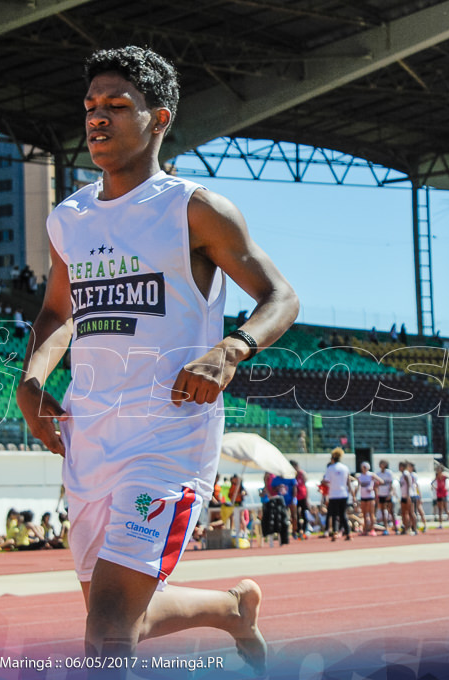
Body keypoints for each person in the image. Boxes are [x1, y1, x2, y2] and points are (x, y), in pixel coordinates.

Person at [15, 45, 298, 671]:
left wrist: (231, 349)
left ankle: (226, 613)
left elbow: (281, 297)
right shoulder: (69, 218)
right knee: (113, 617)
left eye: (117, 106)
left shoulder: (194, 209)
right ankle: (232, 611)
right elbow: (58, 314)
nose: (98, 118)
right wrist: (32, 381)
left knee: (109, 628)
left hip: (167, 438)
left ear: (159, 118)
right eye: (91, 107)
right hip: (87, 435)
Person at [323, 448, 352, 541]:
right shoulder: (345, 468)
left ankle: (335, 532)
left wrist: (323, 482)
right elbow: (348, 482)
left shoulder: (330, 468)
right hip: (344, 494)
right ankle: (348, 533)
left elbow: (326, 481)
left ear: (332, 458)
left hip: (334, 494)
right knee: (343, 514)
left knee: (334, 515)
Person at [355, 461, 382, 536]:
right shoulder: (359, 476)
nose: (364, 469)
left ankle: (372, 529)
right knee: (364, 514)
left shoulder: (371, 475)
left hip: (370, 497)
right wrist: (355, 496)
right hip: (363, 497)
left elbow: (381, 481)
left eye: (365, 467)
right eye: (363, 467)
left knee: (371, 514)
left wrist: (374, 487)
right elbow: (358, 486)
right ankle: (365, 530)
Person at [376, 459, 397, 535]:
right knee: (383, 512)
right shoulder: (378, 474)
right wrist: (376, 495)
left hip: (387, 495)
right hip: (381, 495)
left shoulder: (389, 473)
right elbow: (376, 485)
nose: (381, 464)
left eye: (383, 463)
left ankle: (395, 527)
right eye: (380, 463)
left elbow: (391, 484)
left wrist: (390, 493)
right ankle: (386, 528)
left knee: (391, 511)